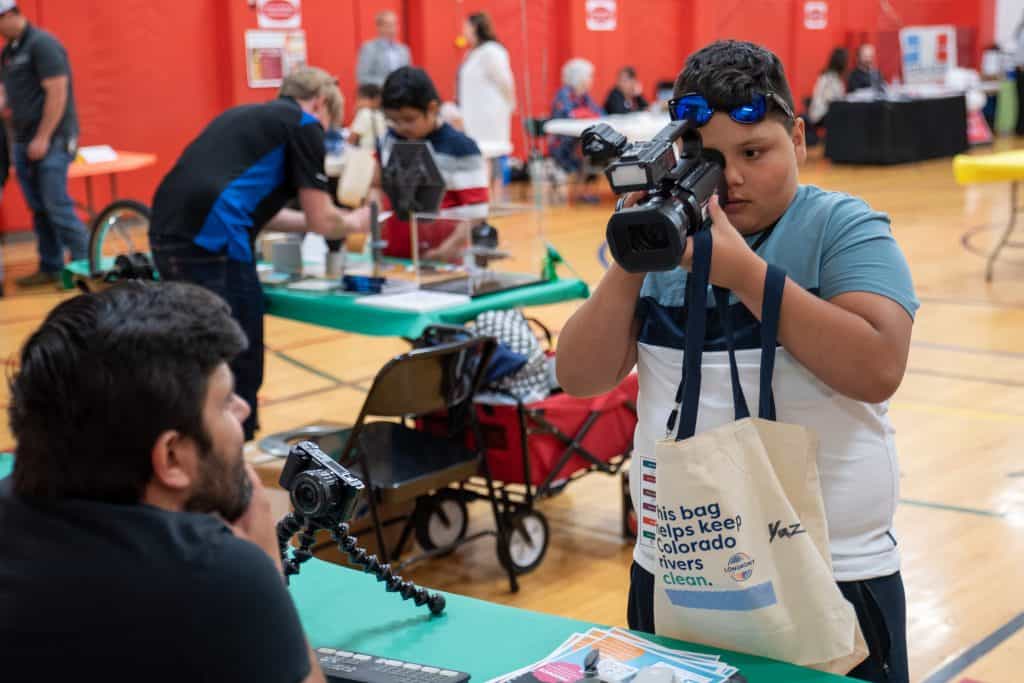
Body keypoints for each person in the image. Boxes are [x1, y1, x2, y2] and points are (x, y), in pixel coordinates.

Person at [556, 40, 916, 683]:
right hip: (681, 570)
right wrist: (633, 255)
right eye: (709, 160)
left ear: (799, 140)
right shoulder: (668, 240)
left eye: (755, 153)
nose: (734, 179)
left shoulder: (842, 227)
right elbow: (580, 376)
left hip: (832, 571)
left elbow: (878, 367)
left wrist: (746, 274)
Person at [1, 281, 325, 682]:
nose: (241, 410)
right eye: (225, 401)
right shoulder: (218, 579)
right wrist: (269, 569)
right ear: (171, 457)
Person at [148, 66, 369, 441]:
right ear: (319, 103)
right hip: (214, 242)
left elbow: (262, 211)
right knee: (239, 355)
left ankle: (188, 441)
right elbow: (322, 219)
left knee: (195, 352)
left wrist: (323, 221)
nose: (324, 134)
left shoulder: (244, 116)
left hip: (168, 231)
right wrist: (355, 220)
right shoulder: (304, 124)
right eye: (329, 123)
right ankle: (237, 451)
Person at [0, 1, 88, 288]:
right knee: (39, 208)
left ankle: (87, 266)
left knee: (57, 205)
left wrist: (44, 137)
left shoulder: (43, 44)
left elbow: (58, 92)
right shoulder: (9, 53)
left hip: (52, 139)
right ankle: (50, 266)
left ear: (11, 14)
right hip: (25, 142)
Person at [378, 66, 488, 262]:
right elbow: (378, 187)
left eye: (409, 120)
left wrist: (446, 250)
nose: (401, 127)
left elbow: (476, 213)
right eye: (393, 121)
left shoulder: (461, 148)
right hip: (394, 257)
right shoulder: (389, 139)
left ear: (432, 108)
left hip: (443, 259)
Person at [457, 12, 515, 197]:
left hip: (489, 114)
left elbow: (505, 81)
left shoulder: (492, 51)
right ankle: (482, 196)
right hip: (473, 114)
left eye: (465, 27)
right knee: (479, 154)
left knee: (488, 152)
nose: (463, 31)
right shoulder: (472, 53)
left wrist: (509, 104)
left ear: (475, 27)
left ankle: (491, 195)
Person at [356, 10, 411, 88]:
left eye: (395, 24)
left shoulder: (404, 50)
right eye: (388, 25)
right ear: (379, 27)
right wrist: (389, 83)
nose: (393, 29)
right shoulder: (369, 48)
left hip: (403, 95)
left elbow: (409, 75)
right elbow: (362, 78)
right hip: (379, 94)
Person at [805, 47, 847, 146]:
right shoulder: (829, 78)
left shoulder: (834, 77)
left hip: (826, 112)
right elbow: (830, 99)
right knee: (841, 118)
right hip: (819, 114)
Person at [348, 82, 386, 152]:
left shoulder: (364, 113)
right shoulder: (380, 115)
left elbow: (352, 138)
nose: (357, 103)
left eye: (359, 99)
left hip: (365, 155)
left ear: (373, 100)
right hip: (377, 154)